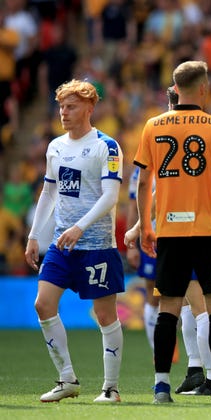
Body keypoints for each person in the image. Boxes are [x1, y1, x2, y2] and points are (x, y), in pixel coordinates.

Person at [134, 60, 211, 404]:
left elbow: (143, 181)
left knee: (168, 307)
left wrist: (145, 225)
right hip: (209, 230)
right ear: (203, 88)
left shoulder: (152, 126)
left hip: (170, 229)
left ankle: (160, 387)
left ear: (175, 88)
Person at [24, 79, 125, 403]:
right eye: (61, 107)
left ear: (89, 108)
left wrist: (80, 227)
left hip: (96, 245)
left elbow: (111, 197)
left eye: (71, 107)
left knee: (105, 315)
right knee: (43, 304)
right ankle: (67, 379)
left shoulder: (106, 146)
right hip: (61, 244)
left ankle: (110, 388)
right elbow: (50, 192)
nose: (64, 113)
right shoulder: (55, 146)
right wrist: (34, 236)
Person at [125, 86, 211, 395]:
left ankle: (190, 374)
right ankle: (205, 375)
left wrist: (138, 227)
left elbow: (149, 187)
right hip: (203, 230)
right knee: (197, 305)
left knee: (179, 304)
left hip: (168, 232)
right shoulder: (209, 129)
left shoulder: (157, 132)